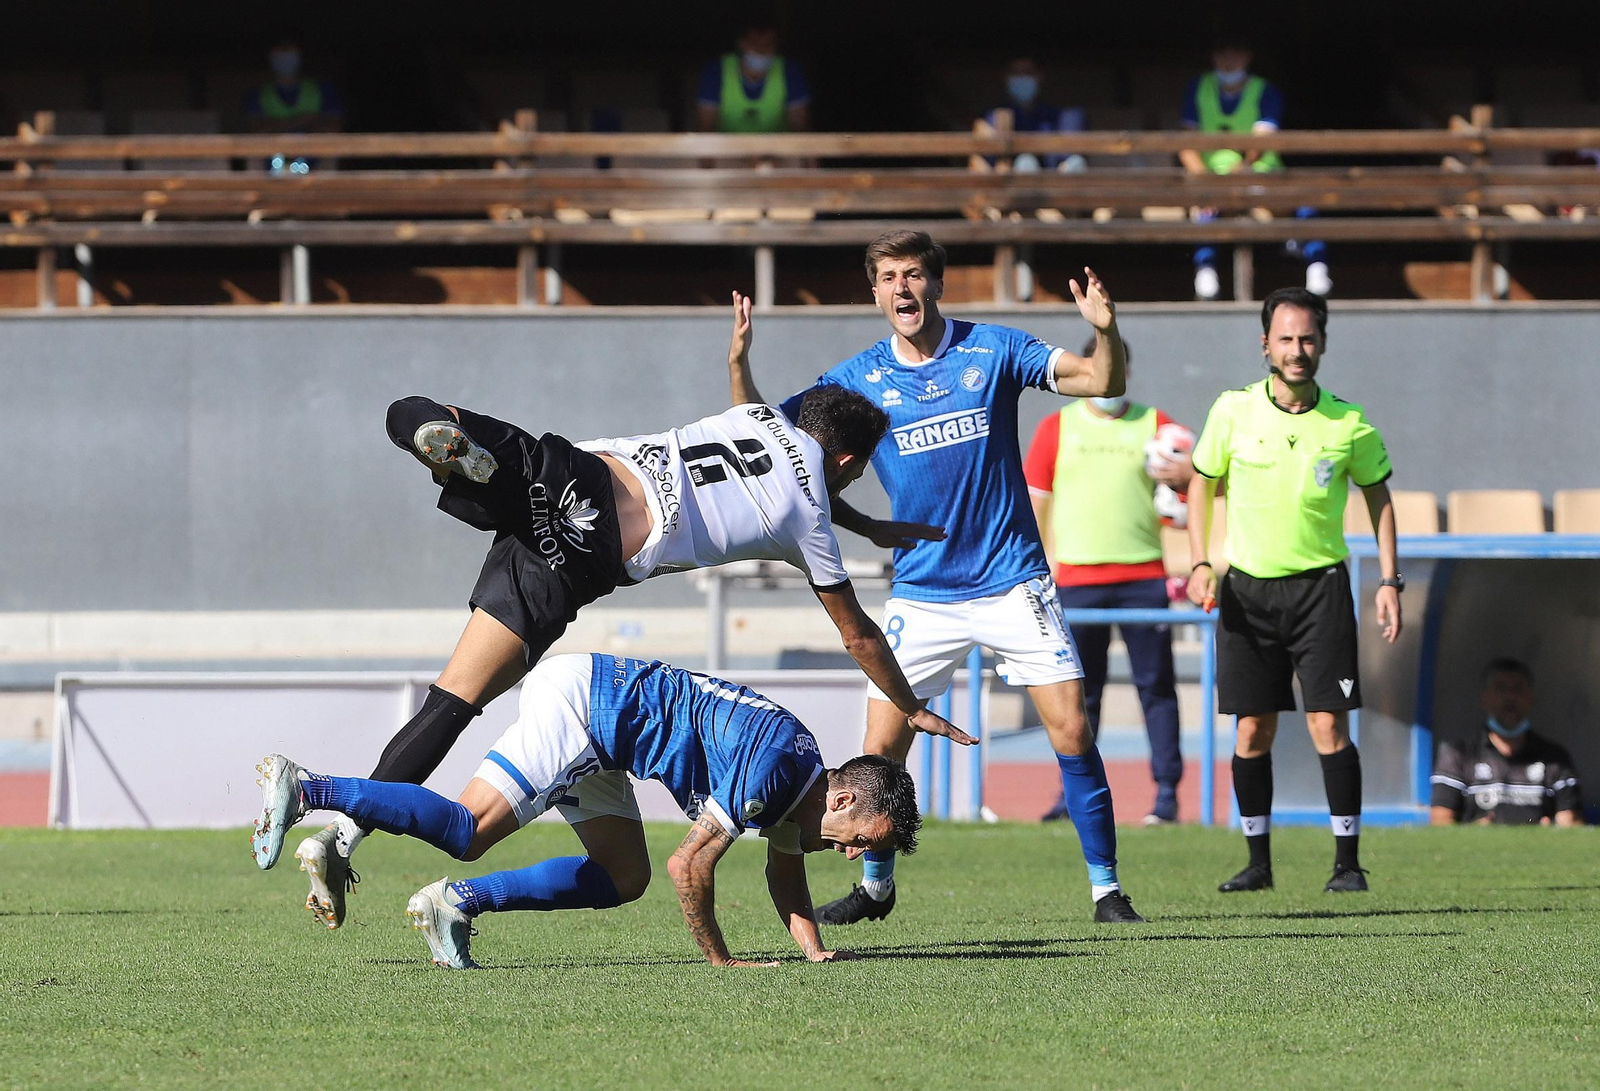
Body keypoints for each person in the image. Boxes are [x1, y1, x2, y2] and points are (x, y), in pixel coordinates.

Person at [280, 375, 968, 929]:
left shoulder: (760, 415)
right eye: (853, 474)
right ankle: (338, 829)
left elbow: (783, 433)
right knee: (453, 703)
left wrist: (740, 362)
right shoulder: (809, 515)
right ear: (845, 462)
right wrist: (909, 705)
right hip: (581, 553)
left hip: (570, 475)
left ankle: (443, 436)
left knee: (407, 410)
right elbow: (858, 633)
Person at [729, 229, 1146, 924]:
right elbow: (764, 438)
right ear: (875, 293)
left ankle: (1107, 891)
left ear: (937, 284)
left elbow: (1105, 381)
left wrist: (1107, 332)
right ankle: (876, 889)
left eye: (914, 274)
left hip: (1013, 579)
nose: (903, 287)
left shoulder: (995, 350)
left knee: (1073, 731)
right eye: (889, 277)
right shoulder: (857, 378)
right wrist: (740, 364)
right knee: (877, 754)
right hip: (923, 595)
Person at [251, 654, 921, 968]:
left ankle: (456, 904)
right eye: (864, 839)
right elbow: (690, 865)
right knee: (467, 829)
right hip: (588, 708)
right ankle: (308, 789)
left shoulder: (802, 781)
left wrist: (813, 949)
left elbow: (784, 870)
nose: (854, 854)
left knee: (623, 875)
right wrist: (724, 961)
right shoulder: (774, 773)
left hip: (608, 730)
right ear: (843, 799)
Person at [1186, 286, 1402, 894]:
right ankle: (1258, 863)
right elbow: (1201, 484)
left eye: (1308, 338)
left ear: (1323, 344)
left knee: (1329, 725)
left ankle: (1347, 864)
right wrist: (1200, 561)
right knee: (1251, 730)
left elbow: (1379, 497)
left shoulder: (1349, 423)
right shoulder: (1232, 410)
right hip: (1248, 594)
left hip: (1320, 591)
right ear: (1266, 345)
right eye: (1286, 338)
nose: (1297, 349)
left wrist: (1389, 579)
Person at [1023, 337, 1193, 825]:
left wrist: (1186, 483)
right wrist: (1035, 574)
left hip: (1144, 579)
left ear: (1127, 372)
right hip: (1076, 583)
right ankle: (1072, 794)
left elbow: (1193, 490)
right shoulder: (1056, 427)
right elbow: (1035, 507)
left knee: (1156, 688)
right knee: (1078, 694)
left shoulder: (1157, 425)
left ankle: (1167, 795)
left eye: (1116, 367)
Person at [1177, 37, 1328, 301]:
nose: (1228, 59)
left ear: (1247, 56)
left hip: (1260, 171)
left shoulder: (1265, 90)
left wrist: (1239, 173)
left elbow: (1261, 141)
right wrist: (1205, 180)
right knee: (1204, 206)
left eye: (1235, 52)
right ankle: (1205, 270)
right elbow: (1186, 143)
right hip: (1212, 176)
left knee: (1305, 201)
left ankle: (1317, 266)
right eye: (1222, 52)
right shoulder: (1198, 87)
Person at [1430, 659, 1584, 826]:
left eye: (1517, 689)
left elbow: (1572, 825)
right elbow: (1440, 823)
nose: (1510, 697)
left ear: (1531, 698)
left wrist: (1550, 833)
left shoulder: (1555, 758)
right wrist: (1474, 832)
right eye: (1500, 689)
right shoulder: (1459, 754)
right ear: (1484, 698)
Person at [245, 38, 343, 175]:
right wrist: (301, 121)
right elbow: (257, 131)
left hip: (313, 161)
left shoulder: (322, 90)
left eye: (289, 50)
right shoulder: (258, 94)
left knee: (329, 145)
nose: (285, 56)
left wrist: (280, 127)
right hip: (270, 162)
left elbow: (332, 128)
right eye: (281, 51)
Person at [695, 19, 811, 133]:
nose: (762, 50)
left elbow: (800, 130)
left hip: (777, 146)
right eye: (755, 44)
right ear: (741, 43)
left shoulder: (789, 71)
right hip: (726, 145)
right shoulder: (716, 71)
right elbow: (705, 129)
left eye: (767, 44)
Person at [985, 58, 1086, 173]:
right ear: (1006, 77)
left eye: (1027, 72)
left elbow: (1065, 155)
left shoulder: (1058, 115)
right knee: (1025, 162)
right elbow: (990, 159)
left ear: (1039, 76)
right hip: (1014, 179)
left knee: (1075, 161)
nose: (1022, 78)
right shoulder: (993, 116)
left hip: (1054, 176)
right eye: (1016, 73)